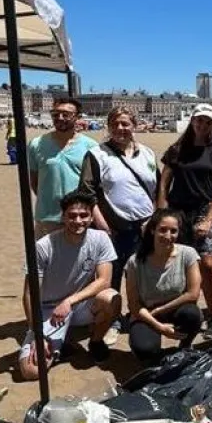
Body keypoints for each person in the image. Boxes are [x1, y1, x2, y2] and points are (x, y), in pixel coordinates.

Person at [17, 190, 121, 381]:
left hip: (79, 304)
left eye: (84, 215)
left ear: (91, 217)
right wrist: (37, 334)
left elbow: (104, 280)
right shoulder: (44, 246)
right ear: (63, 217)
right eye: (72, 216)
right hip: (49, 309)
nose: (78, 221)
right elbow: (30, 294)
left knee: (111, 298)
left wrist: (69, 301)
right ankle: (58, 343)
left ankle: (96, 341)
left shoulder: (100, 239)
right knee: (31, 372)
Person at [157, 103, 212, 335]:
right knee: (177, 262)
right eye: (199, 120)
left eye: (208, 122)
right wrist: (161, 212)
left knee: (208, 265)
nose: (203, 125)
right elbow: (164, 183)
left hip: (204, 209)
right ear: (193, 121)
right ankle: (181, 311)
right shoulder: (177, 149)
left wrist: (209, 218)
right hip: (178, 211)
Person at [80, 106, 159, 301]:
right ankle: (112, 315)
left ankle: (138, 313)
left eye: (125, 124)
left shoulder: (147, 153)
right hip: (113, 227)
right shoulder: (96, 154)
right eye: (114, 124)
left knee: (141, 275)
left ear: (135, 125)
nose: (120, 128)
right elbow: (87, 193)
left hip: (144, 226)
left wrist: (153, 220)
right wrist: (103, 225)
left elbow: (158, 189)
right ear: (108, 127)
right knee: (111, 276)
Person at [124, 209, 203, 365]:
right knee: (145, 349)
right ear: (152, 230)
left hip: (175, 308)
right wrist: (160, 327)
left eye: (173, 231)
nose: (168, 236)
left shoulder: (188, 254)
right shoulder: (135, 262)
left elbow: (193, 294)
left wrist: (160, 310)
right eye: (163, 230)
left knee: (192, 314)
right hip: (146, 313)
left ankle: (185, 345)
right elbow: (134, 305)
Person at [28, 96, 99, 238]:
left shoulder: (91, 146)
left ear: (77, 117)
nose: (60, 118)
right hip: (48, 217)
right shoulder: (36, 144)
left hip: (79, 217)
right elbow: (35, 182)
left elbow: (95, 185)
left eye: (66, 114)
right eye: (55, 114)